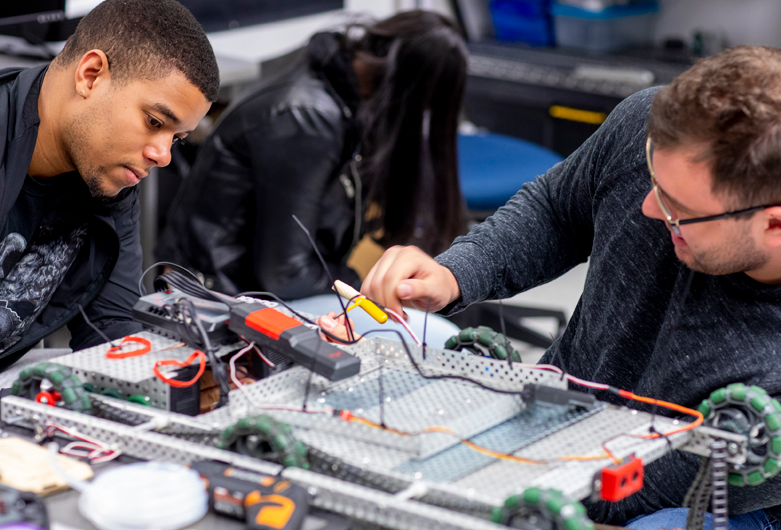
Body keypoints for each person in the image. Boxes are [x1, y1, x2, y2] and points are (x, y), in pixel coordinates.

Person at [360, 46, 781, 530]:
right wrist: (453, 276)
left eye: (675, 206)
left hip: (699, 506)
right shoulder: (661, 135)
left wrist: (487, 489)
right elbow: (559, 209)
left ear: (778, 225)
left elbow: (643, 492)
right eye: (652, 178)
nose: (646, 207)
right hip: (566, 422)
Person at [155, 11, 468, 301]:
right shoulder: (309, 119)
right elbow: (288, 276)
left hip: (248, 281)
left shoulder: (338, 75)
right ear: (413, 94)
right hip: (218, 292)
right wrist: (364, 285)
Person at [0, 0, 218, 374]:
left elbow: (111, 330)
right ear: (90, 75)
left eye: (177, 138)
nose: (162, 155)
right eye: (153, 121)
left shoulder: (107, 177)